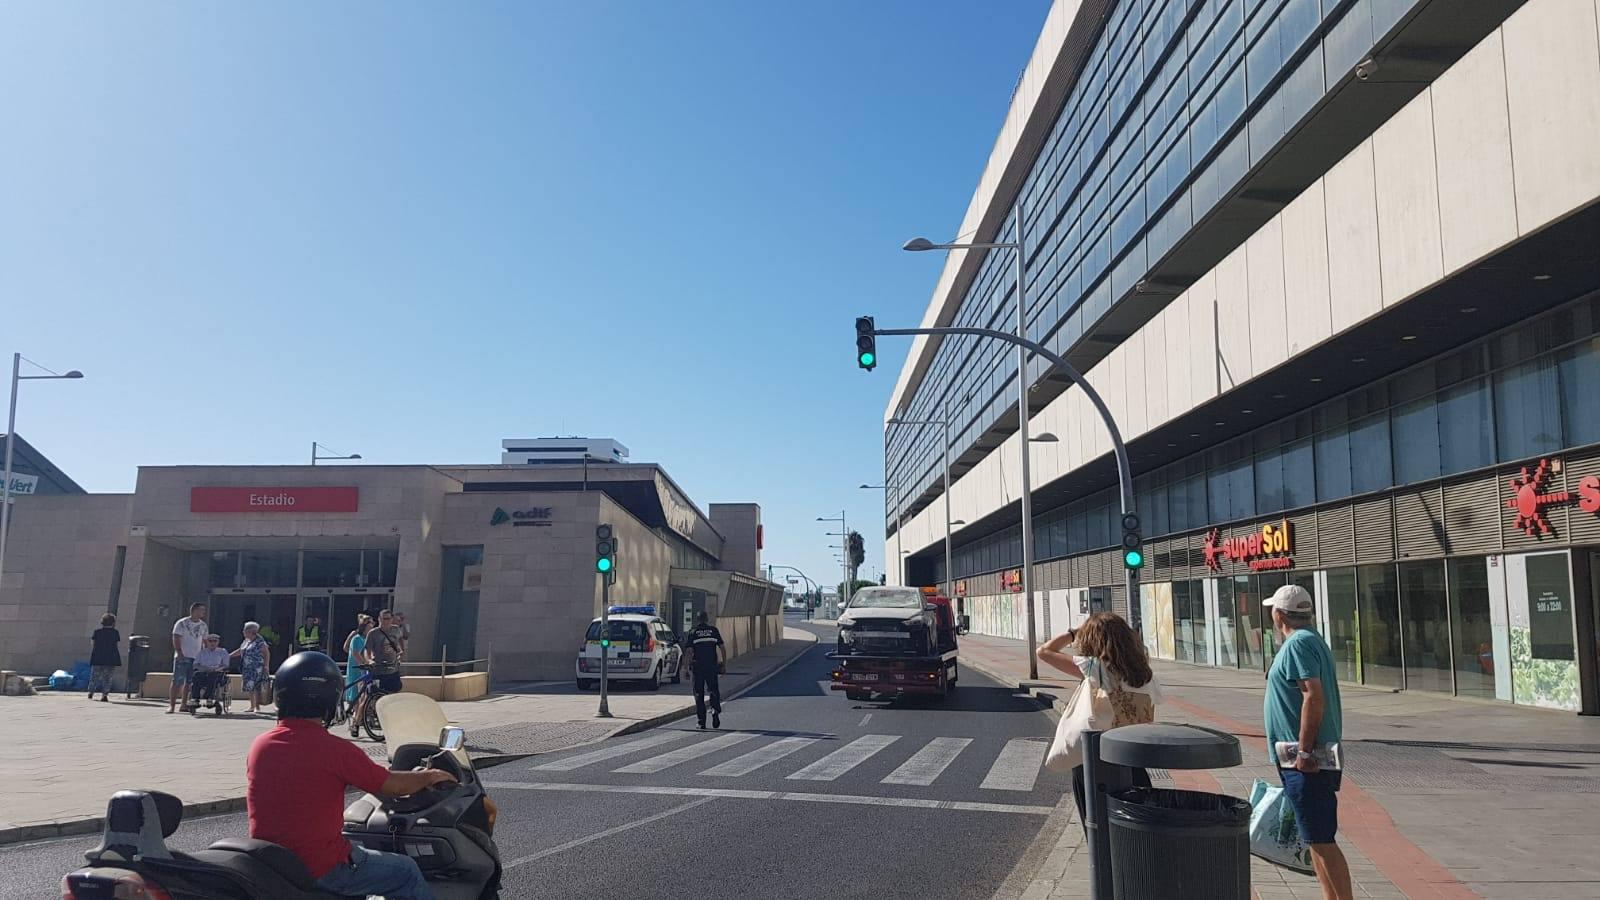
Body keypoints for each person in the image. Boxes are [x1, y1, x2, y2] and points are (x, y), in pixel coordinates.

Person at [248, 651, 453, 899]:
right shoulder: (335, 749)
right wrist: (429, 776)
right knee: (406, 871)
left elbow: (302, 776)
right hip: (320, 867)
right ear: (329, 698)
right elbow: (393, 786)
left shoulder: (261, 745)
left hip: (274, 863)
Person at [1263, 584, 1352, 900]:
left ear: (1279, 614)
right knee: (1314, 837)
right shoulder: (1310, 640)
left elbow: (1312, 695)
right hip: (1300, 756)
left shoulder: (1298, 644)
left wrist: (1303, 750)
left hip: (1307, 759)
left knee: (1321, 838)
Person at [1035, 612, 1162, 831]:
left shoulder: (1096, 669)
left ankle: (1103, 865)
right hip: (1133, 757)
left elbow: (1044, 651)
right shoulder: (1145, 673)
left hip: (1096, 758)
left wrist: (1073, 633)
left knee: (1097, 827)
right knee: (1133, 826)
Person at [350, 609, 404, 738]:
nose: (386, 621)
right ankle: (356, 723)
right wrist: (369, 660)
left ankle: (391, 725)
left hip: (392, 669)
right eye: (383, 619)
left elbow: (399, 643)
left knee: (393, 697)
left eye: (389, 619)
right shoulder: (373, 633)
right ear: (379, 620)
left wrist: (400, 653)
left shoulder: (396, 630)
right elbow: (367, 650)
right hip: (378, 670)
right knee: (369, 696)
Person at [685, 612, 726, 729]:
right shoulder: (713, 630)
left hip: (698, 667)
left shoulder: (693, 632)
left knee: (699, 693)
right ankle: (715, 709)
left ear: (697, 620)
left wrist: (686, 669)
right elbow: (722, 647)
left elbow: (688, 651)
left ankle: (701, 722)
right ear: (707, 619)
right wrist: (724, 664)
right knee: (713, 689)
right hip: (711, 666)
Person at [169, 602, 208, 714]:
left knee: (190, 682)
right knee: (177, 681)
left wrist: (205, 655)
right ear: (195, 610)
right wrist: (179, 652)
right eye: (201, 610)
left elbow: (205, 641)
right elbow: (176, 637)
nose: (203, 612)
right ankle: (171, 705)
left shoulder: (203, 625)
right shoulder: (182, 623)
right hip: (183, 656)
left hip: (196, 658)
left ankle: (184, 704)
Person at [230, 621, 271, 714]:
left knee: (257, 687)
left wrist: (266, 666)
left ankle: (257, 707)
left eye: (245, 630)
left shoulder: (260, 641)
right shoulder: (246, 641)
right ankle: (252, 706)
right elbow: (240, 651)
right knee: (249, 687)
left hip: (257, 668)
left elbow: (266, 653)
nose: (243, 632)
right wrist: (229, 656)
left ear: (250, 631)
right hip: (247, 668)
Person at [190, 634, 232, 714]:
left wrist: (216, 669)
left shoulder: (222, 652)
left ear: (218, 642)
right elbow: (196, 664)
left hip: (217, 672)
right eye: (210, 641)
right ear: (207, 642)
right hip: (203, 671)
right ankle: (195, 698)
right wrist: (205, 669)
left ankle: (209, 697)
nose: (212, 643)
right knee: (196, 676)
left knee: (213, 676)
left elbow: (225, 665)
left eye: (215, 641)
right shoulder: (202, 652)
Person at [87, 613, 121, 702]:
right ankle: (104, 695)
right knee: (108, 677)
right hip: (110, 657)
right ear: (113, 623)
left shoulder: (97, 632)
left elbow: (93, 644)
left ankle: (91, 692)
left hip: (98, 656)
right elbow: (116, 645)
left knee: (94, 676)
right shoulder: (115, 633)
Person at [343, 616, 373, 708]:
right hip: (357, 668)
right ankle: (356, 716)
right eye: (371, 623)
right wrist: (365, 664)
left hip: (364, 669)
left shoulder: (368, 639)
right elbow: (356, 654)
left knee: (364, 695)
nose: (372, 625)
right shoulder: (356, 638)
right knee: (356, 695)